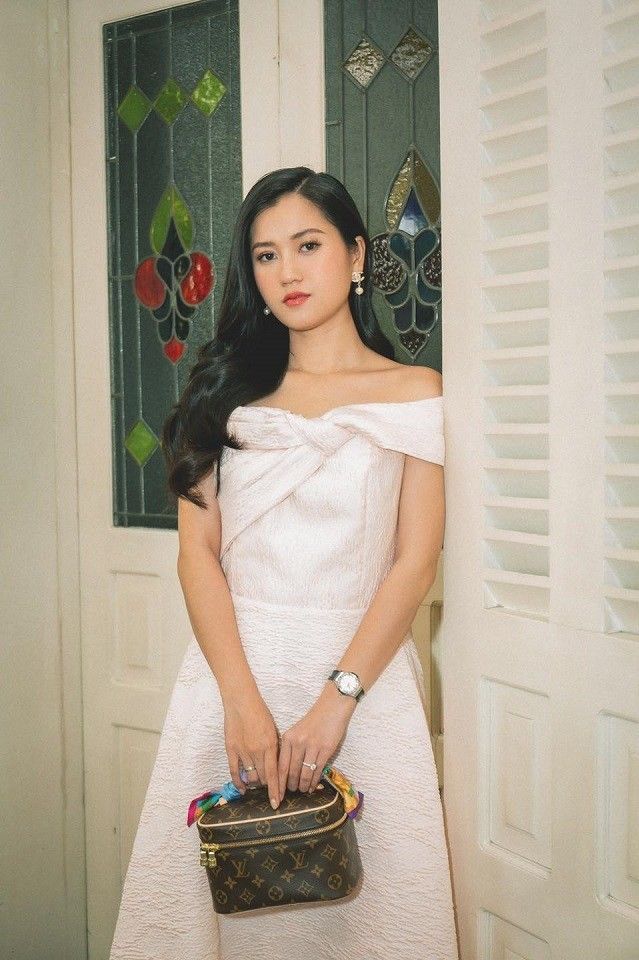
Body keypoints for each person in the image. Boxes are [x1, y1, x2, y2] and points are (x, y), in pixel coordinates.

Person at [108, 166, 459, 960]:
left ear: (356, 255)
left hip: (363, 686)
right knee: (219, 915)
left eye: (307, 246)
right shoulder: (221, 394)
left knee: (374, 923)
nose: (287, 272)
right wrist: (241, 702)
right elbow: (197, 555)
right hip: (235, 678)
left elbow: (413, 562)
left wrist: (336, 702)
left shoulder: (413, 389)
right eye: (266, 255)